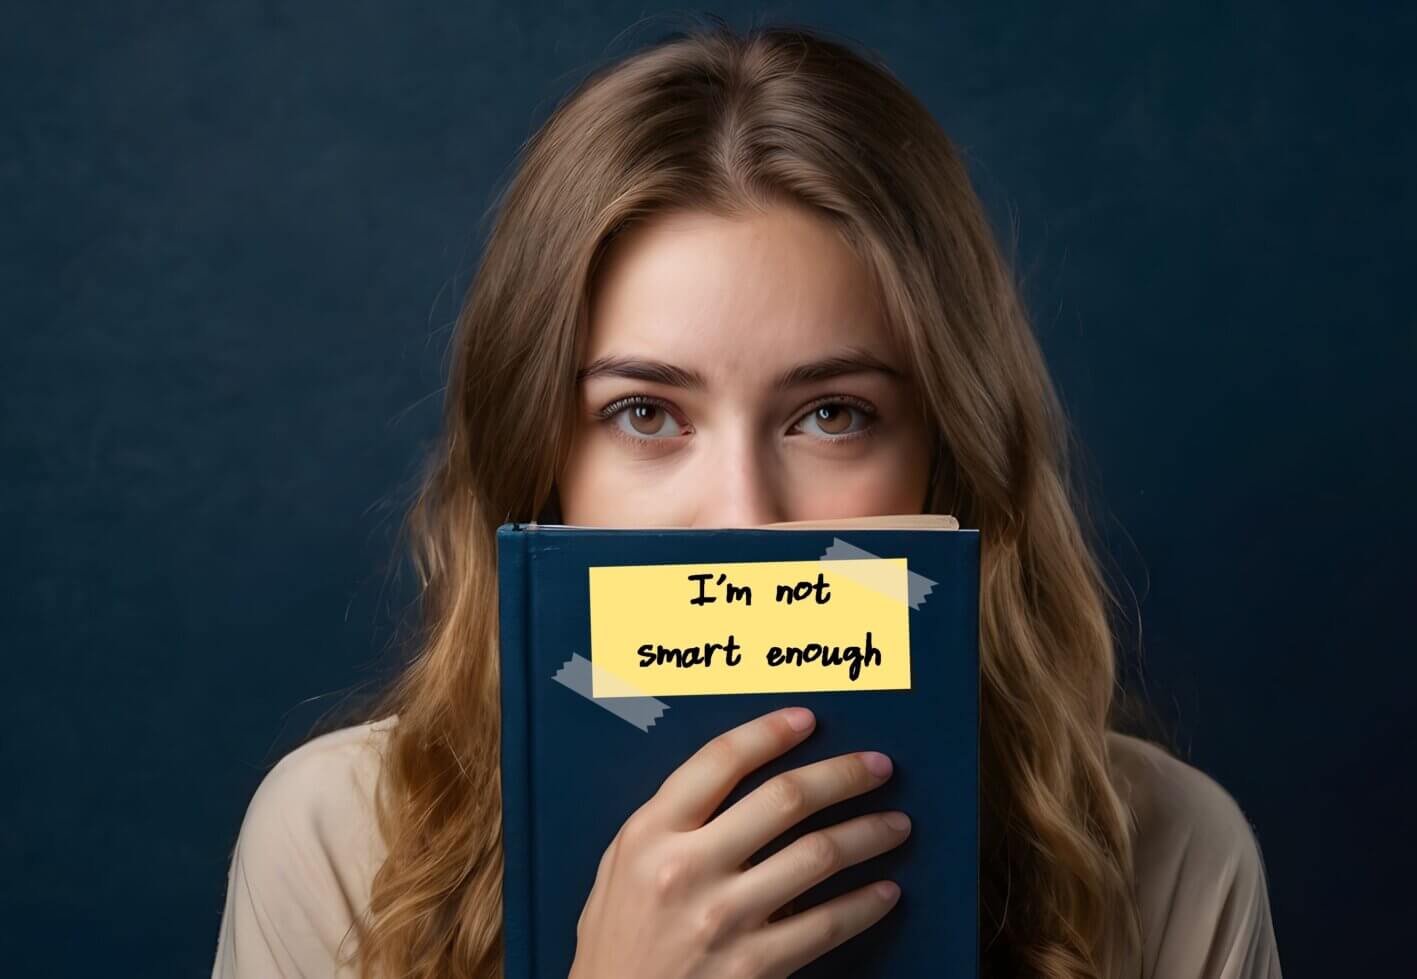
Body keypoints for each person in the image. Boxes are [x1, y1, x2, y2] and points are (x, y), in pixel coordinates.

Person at [211, 20, 1281, 979]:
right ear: (542, 463)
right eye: (643, 413)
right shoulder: (341, 842)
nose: (741, 519)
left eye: (832, 415)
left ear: (944, 457)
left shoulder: (1168, 854)